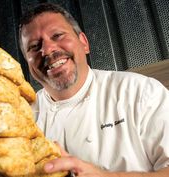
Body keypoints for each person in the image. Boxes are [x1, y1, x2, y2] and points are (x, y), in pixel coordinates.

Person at [18, 2, 169, 177]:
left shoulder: (140, 92)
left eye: (58, 35)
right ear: (27, 65)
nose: (47, 49)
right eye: (34, 47)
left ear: (84, 43)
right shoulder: (22, 117)